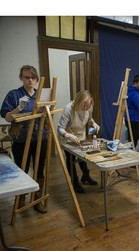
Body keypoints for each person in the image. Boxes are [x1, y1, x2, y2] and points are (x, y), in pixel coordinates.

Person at [0, 65, 48, 213]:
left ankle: (37, 199)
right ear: (21, 77)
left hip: (40, 138)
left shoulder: (41, 95)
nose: (30, 80)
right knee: (22, 169)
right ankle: (20, 199)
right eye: (27, 77)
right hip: (21, 140)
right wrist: (19, 108)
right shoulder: (14, 95)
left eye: (33, 77)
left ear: (37, 79)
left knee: (39, 170)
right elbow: (6, 116)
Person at [57, 90, 100, 193]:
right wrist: (67, 135)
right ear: (78, 102)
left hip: (81, 135)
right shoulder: (68, 109)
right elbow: (60, 128)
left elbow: (89, 119)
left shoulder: (89, 108)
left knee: (83, 156)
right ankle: (74, 182)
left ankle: (85, 176)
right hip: (68, 137)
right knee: (71, 159)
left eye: (87, 106)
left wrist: (94, 124)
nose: (86, 108)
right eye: (84, 106)